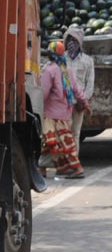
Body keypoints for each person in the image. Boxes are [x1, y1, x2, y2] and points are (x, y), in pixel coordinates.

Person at [41, 40, 88, 179]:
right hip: (64, 113)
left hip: (50, 114)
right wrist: (85, 103)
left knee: (51, 141)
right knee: (55, 141)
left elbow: (43, 92)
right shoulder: (67, 71)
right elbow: (77, 90)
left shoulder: (50, 70)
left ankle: (77, 168)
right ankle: (43, 168)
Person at [65, 25, 95, 147]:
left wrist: (83, 101)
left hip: (78, 103)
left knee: (75, 133)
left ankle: (73, 161)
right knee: (63, 133)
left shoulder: (87, 61)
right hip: (63, 102)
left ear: (80, 42)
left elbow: (90, 84)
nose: (71, 42)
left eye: (74, 40)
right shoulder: (61, 58)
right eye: (69, 39)